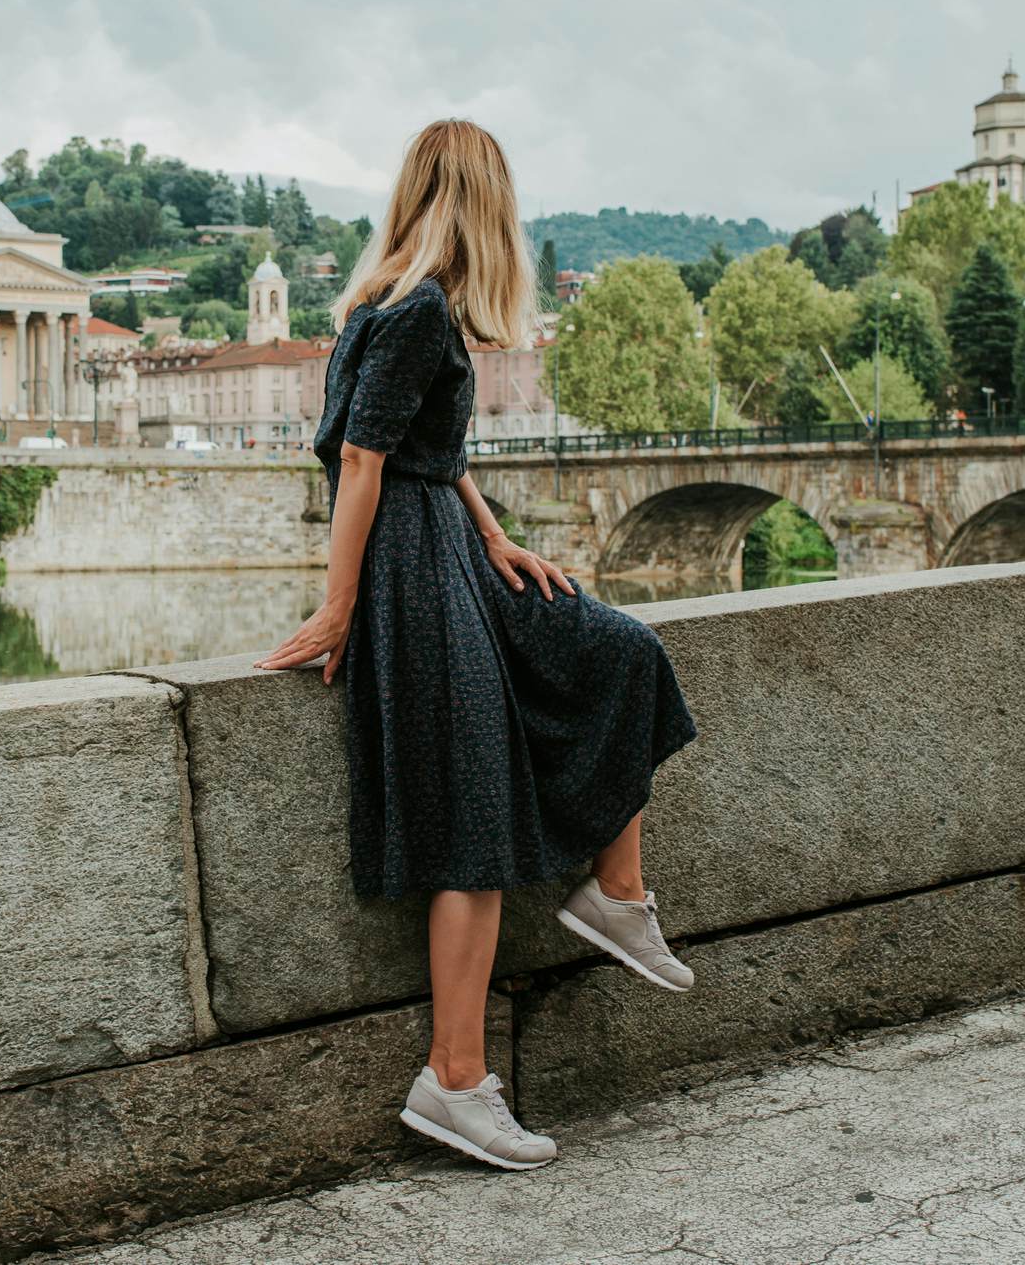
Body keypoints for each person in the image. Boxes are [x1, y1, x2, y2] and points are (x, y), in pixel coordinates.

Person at [257, 120, 698, 1171]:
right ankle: (453, 1079)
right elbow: (360, 461)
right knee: (470, 820)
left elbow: (427, 447)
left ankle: (615, 894)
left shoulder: (391, 303)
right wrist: (340, 606)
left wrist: (495, 535)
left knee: (619, 650)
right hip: (413, 569)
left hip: (447, 548)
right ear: (483, 204)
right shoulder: (416, 312)